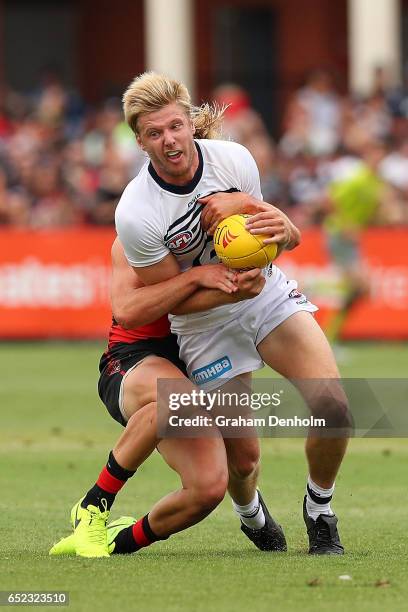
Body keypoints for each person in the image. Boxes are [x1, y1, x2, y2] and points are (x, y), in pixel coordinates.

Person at [115, 71, 351, 556]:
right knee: (242, 461)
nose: (169, 140)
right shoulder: (137, 211)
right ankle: (251, 514)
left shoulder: (235, 160)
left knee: (334, 409)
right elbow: (172, 298)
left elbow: (270, 239)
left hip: (264, 297)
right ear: (140, 141)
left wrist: (262, 218)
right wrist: (226, 292)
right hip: (203, 325)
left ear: (188, 122)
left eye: (176, 126)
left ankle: (320, 508)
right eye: (155, 133)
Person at [50, 197, 293, 558]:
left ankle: (120, 542)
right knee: (177, 397)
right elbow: (128, 312)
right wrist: (196, 276)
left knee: (216, 483)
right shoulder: (138, 233)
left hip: (202, 353)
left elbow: (290, 238)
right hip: (135, 359)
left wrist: (279, 234)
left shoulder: (232, 226)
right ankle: (92, 508)